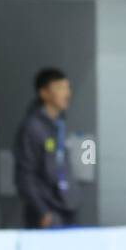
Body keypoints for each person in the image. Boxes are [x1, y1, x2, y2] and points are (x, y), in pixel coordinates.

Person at [13, 67, 80, 229]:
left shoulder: (60, 124)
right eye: (60, 88)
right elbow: (24, 175)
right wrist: (42, 211)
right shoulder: (32, 128)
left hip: (67, 208)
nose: (67, 93)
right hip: (47, 214)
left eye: (68, 87)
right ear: (44, 93)